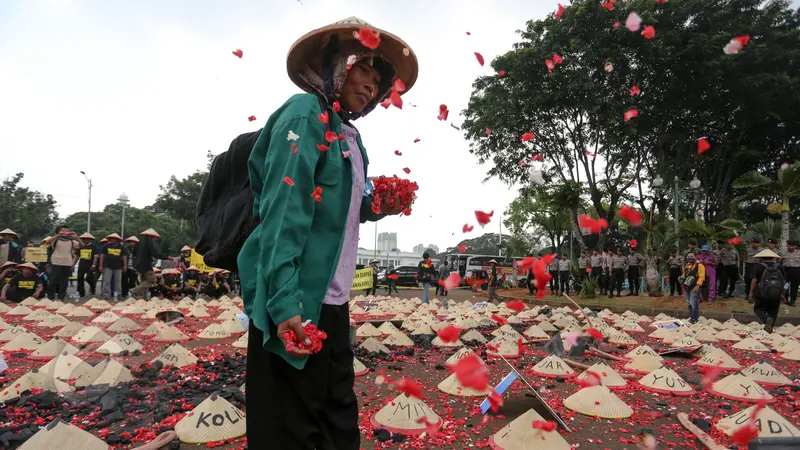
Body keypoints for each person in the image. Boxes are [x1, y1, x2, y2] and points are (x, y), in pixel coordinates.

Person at [236, 17, 415, 450]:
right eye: (362, 71)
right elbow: (284, 211)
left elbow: (341, 212)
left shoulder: (351, 136)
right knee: (291, 425)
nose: (371, 86)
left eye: (377, 79)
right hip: (296, 295)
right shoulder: (304, 114)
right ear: (335, 65)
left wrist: (380, 206)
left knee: (336, 417)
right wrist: (283, 303)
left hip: (333, 300)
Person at [749, 249, 786, 332]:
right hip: (776, 294)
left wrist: (751, 293)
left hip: (761, 293)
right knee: (773, 310)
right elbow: (783, 281)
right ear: (773, 257)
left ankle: (766, 320)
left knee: (758, 309)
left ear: (761, 258)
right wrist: (782, 294)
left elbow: (754, 281)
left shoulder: (757, 267)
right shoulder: (779, 267)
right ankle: (770, 329)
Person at [131, 228, 172, 298]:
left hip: (139, 266)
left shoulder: (138, 243)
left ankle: (144, 299)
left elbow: (133, 254)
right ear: (151, 236)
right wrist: (167, 257)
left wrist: (136, 263)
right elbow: (155, 254)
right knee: (152, 281)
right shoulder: (149, 243)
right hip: (146, 265)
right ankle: (134, 290)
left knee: (144, 282)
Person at [46, 225, 82, 300]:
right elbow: (47, 241)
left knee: (65, 281)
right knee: (53, 279)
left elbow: (82, 246)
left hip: (67, 262)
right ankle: (50, 296)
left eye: (67, 231)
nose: (66, 232)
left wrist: (77, 237)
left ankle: (61, 296)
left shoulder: (72, 241)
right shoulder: (56, 240)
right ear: (58, 231)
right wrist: (59, 235)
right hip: (56, 261)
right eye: (63, 230)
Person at [99, 233, 127, 300]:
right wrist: (100, 265)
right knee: (106, 281)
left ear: (117, 240)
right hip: (107, 266)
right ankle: (105, 295)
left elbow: (124, 256)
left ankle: (118, 294)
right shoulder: (106, 246)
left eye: (114, 239)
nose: (113, 240)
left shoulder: (121, 247)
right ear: (110, 239)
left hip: (118, 266)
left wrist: (125, 265)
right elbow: (102, 256)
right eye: (112, 239)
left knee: (118, 281)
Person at [681, 252, 705, 324]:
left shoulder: (699, 265)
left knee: (693, 303)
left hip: (695, 287)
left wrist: (698, 285)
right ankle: (692, 317)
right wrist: (681, 278)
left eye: (691, 256)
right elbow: (684, 275)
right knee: (689, 303)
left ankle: (694, 319)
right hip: (686, 287)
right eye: (688, 256)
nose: (690, 257)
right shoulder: (686, 266)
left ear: (695, 257)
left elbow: (701, 277)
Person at [76, 233, 100, 298]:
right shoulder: (81, 248)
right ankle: (81, 294)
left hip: (90, 265)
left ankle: (92, 287)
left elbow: (96, 257)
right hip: (81, 265)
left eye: (86, 239)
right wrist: (73, 265)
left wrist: (94, 265)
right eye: (83, 239)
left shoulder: (94, 247)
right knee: (80, 278)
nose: (84, 240)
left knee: (89, 278)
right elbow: (77, 256)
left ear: (89, 240)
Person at [782, 240, 799, 307]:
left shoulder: (799, 253)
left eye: (793, 246)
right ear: (787, 246)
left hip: (796, 270)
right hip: (785, 270)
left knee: (794, 286)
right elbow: (780, 262)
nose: (791, 247)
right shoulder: (783, 253)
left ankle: (792, 301)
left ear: (795, 246)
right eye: (790, 246)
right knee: (785, 285)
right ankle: (784, 299)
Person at [744, 238, 762, 302]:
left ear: (759, 244)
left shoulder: (762, 250)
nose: (755, 244)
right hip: (749, 266)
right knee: (747, 280)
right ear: (752, 243)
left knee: (756, 281)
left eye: (757, 243)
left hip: (758, 266)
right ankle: (747, 294)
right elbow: (745, 258)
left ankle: (755, 295)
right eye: (754, 243)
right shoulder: (747, 250)